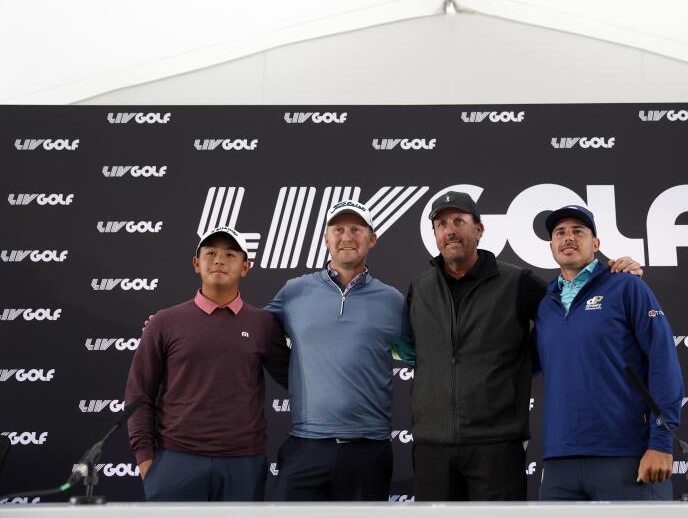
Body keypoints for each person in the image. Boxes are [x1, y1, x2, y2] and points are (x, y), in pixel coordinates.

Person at [402, 192, 641, 501]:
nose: (450, 231)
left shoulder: (518, 282)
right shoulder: (420, 288)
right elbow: (409, 351)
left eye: (459, 221)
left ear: (479, 229)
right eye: (441, 224)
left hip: (497, 445)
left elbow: (569, 317)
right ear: (434, 234)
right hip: (431, 446)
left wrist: (613, 276)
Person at [125, 226, 290, 501]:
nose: (219, 260)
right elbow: (138, 394)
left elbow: (295, 379)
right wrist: (146, 461)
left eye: (230, 254)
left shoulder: (263, 324)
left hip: (244, 463)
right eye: (210, 252)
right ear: (196, 263)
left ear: (245, 267)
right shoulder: (164, 322)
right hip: (176, 460)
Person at [534, 205, 684, 501]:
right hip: (559, 462)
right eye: (560, 233)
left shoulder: (627, 287)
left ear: (597, 244)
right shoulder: (544, 304)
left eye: (579, 231)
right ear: (551, 245)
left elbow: (663, 364)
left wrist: (661, 443)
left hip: (627, 455)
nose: (568, 238)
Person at [265, 200, 407, 501]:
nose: (346, 237)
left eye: (356, 229)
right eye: (338, 229)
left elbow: (420, 354)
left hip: (369, 449)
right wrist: (176, 326)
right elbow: (249, 332)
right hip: (307, 444)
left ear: (372, 238)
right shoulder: (294, 291)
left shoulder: (392, 301)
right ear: (326, 239)